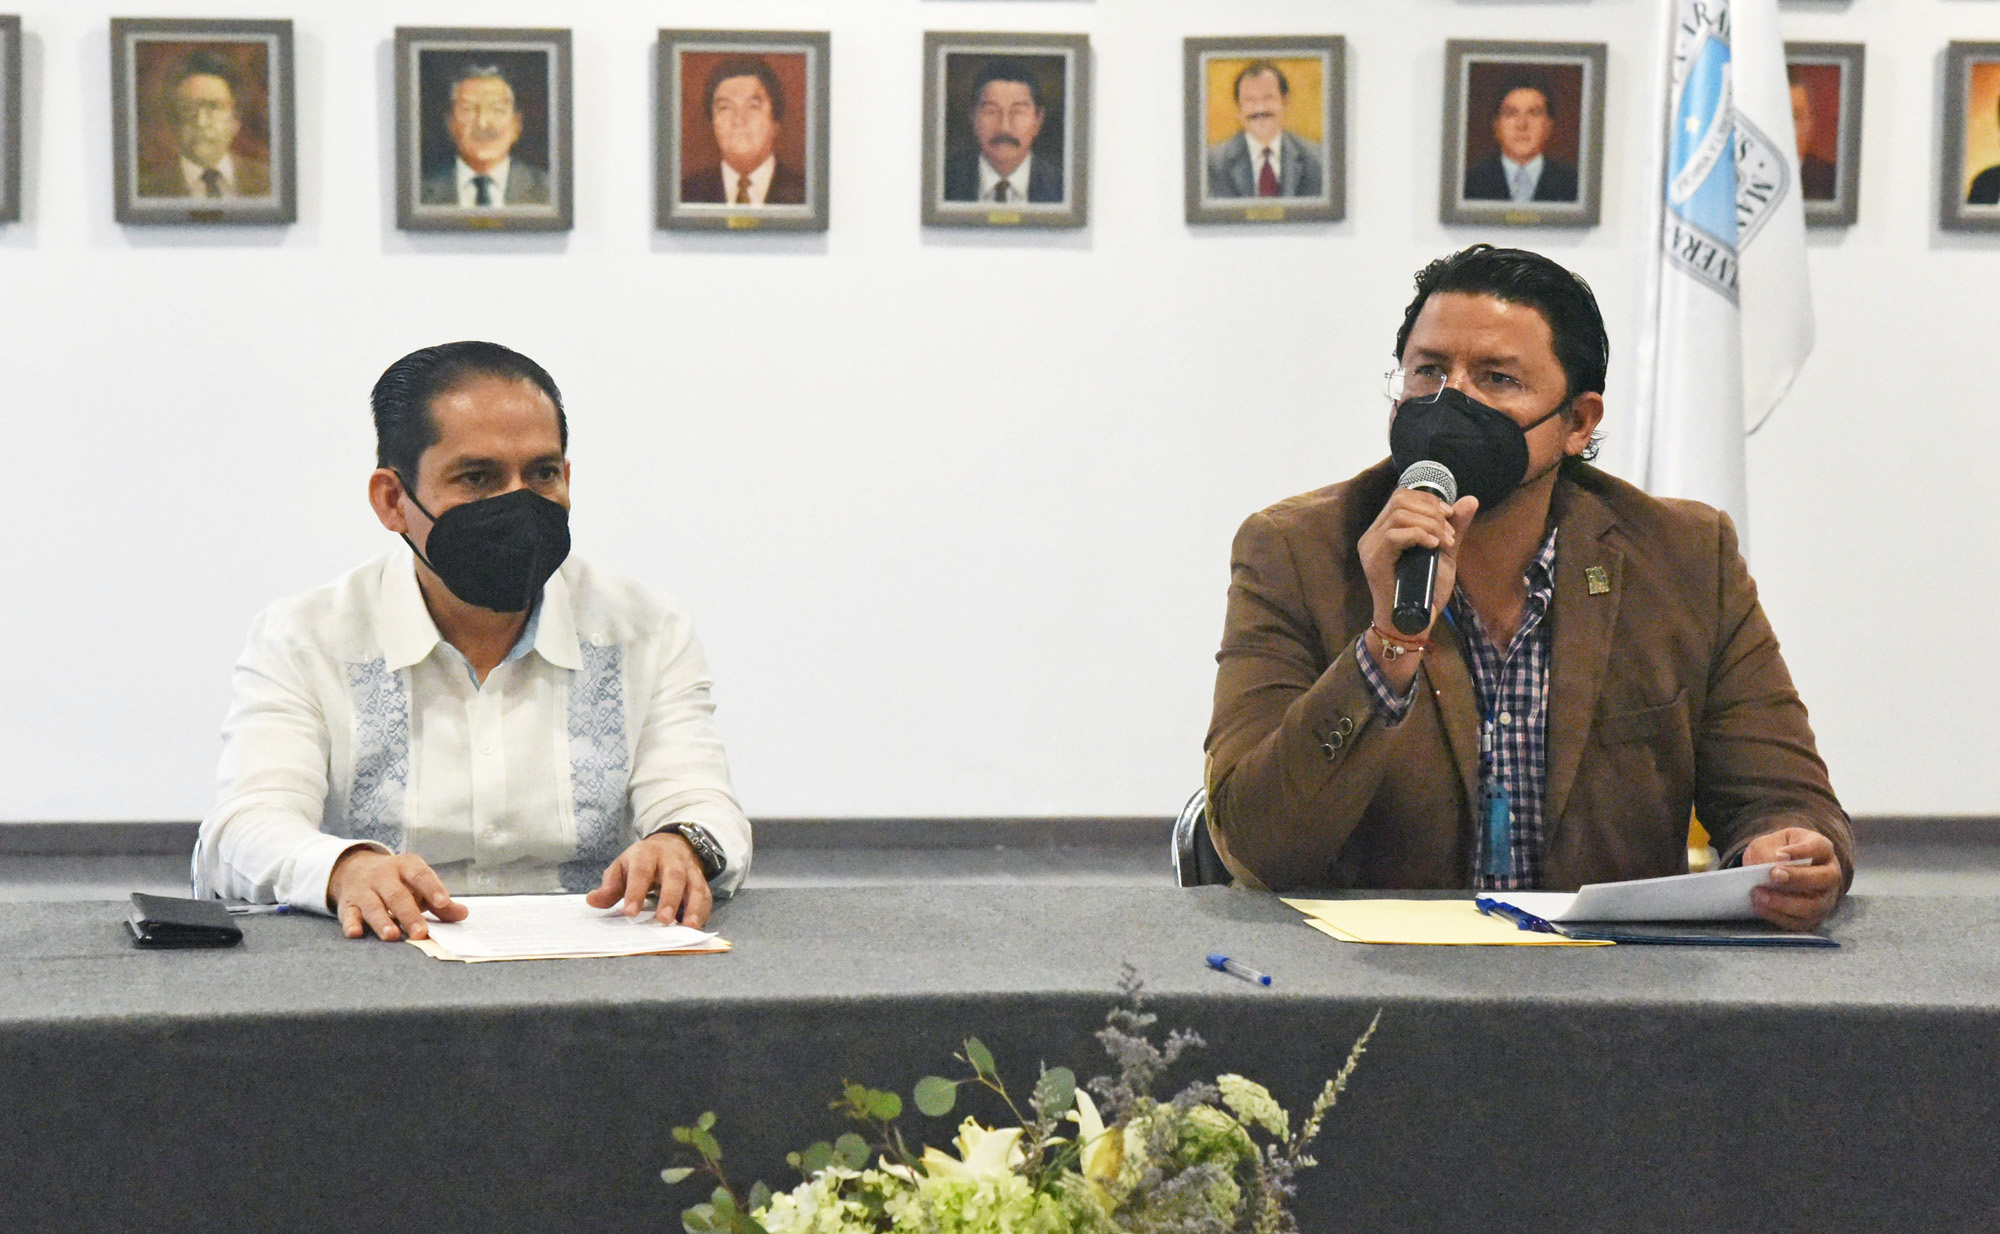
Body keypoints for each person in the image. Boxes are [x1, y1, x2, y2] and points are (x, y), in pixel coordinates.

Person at [1204, 245, 1852, 932]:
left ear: (1577, 423)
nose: (1452, 402)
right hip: (1373, 990)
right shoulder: (1295, 551)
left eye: (1496, 379)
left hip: (1610, 993)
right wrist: (1389, 645)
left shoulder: (1684, 559)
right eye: (1428, 372)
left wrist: (1788, 848)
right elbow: (1255, 846)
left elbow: (1782, 796)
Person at [193, 342, 751, 940]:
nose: (517, 503)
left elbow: (705, 805)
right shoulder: (307, 638)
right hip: (376, 968)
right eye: (477, 477)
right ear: (392, 501)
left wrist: (680, 844)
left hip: (595, 971)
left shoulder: (646, 629)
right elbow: (242, 830)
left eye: (541, 474)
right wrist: (345, 869)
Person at [137, 51, 271, 199]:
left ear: (236, 120)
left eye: (214, 107)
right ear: (174, 121)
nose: (201, 122)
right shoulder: (146, 190)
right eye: (187, 108)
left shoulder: (269, 182)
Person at [419, 63, 551, 208]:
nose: (482, 123)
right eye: (468, 109)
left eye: (497, 109)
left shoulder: (548, 191)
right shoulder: (420, 193)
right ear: (451, 124)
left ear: (516, 125)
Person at [680, 56, 806, 206]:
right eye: (725, 107)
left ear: (775, 123)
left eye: (753, 106)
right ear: (713, 123)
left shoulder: (806, 194)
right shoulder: (685, 194)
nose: (739, 120)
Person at [943, 59, 1062, 204]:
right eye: (991, 111)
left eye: (1018, 112)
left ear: (1038, 120)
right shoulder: (943, 182)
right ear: (973, 118)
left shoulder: (1062, 187)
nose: (1004, 127)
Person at [1205, 60, 1325, 200]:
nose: (1259, 109)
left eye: (1268, 98)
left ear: (1284, 103)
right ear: (1239, 109)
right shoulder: (1212, 165)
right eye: (1249, 100)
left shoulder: (1317, 160)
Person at [1462, 78, 1579, 204]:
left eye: (1534, 113)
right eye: (1511, 113)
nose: (1522, 125)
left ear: (1549, 126)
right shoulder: (1468, 183)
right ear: (1496, 126)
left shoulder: (1574, 185)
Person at [1790, 78, 1837, 202]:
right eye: (1777, 116)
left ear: (1810, 125)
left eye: (1794, 117)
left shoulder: (1832, 181)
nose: (1786, 128)